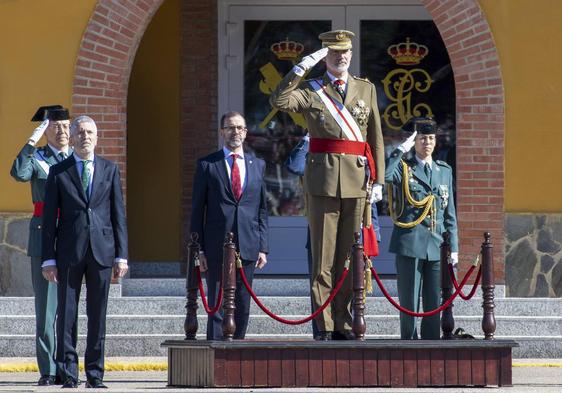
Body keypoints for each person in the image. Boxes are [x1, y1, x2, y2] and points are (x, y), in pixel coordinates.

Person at [271, 30, 385, 340]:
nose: (341, 57)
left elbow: (375, 136)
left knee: (349, 257)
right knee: (323, 260)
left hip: (358, 182)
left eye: (346, 51)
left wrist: (379, 181)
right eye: (335, 52)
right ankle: (324, 325)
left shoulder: (365, 90)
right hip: (321, 182)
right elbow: (280, 99)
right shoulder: (312, 90)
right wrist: (301, 66)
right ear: (326, 56)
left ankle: (344, 321)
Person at [41, 115, 128, 388]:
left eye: (90, 132)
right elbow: (49, 221)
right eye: (80, 132)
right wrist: (48, 258)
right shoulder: (59, 172)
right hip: (68, 252)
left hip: (102, 252)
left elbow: (118, 215)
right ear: (73, 137)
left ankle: (94, 373)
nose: (85, 137)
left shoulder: (109, 169)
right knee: (67, 314)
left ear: (97, 137)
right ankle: (68, 373)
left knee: (97, 314)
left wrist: (121, 255)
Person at [285, 133, 382, 339]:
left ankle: (344, 324)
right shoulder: (316, 148)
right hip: (323, 222)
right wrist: (309, 139)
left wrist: (374, 234)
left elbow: (368, 194)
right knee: (322, 272)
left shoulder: (356, 148)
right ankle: (323, 327)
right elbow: (294, 166)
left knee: (349, 275)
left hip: (352, 226)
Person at [190, 111, 269, 340]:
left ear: (245, 132)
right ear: (222, 132)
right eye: (230, 128)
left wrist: (263, 247)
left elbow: (262, 209)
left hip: (248, 245)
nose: (235, 132)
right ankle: (214, 353)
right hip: (216, 245)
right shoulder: (207, 165)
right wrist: (200, 250)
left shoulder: (258, 165)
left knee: (243, 303)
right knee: (216, 302)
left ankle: (238, 350)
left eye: (239, 128)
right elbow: (197, 211)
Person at [10, 105, 71, 386]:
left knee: (68, 308)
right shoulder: (38, 158)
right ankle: (48, 368)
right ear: (46, 130)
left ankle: (67, 366)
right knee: (46, 308)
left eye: (67, 126)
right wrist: (31, 141)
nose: (63, 132)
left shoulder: (75, 158)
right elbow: (19, 173)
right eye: (57, 126)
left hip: (72, 237)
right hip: (43, 237)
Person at [385, 116, 459, 339]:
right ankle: (408, 341)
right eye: (422, 139)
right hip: (410, 243)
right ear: (415, 142)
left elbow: (449, 213)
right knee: (409, 300)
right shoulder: (404, 168)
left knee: (433, 302)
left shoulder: (443, 170)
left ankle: (430, 344)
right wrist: (400, 150)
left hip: (436, 245)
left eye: (431, 138)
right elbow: (386, 175)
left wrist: (453, 247)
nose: (427, 143)